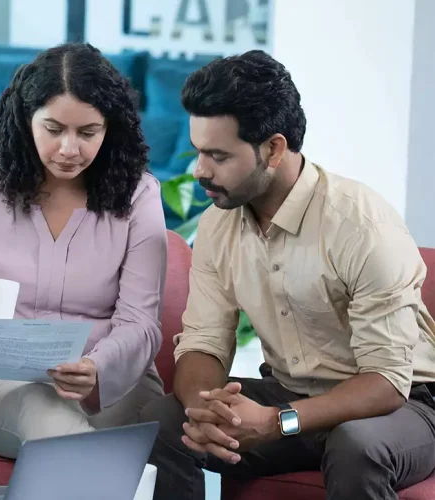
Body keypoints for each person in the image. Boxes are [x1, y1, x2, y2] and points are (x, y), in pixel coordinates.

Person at [138, 50, 435, 500]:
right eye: (200, 152)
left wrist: (280, 422)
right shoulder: (221, 223)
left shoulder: (362, 226)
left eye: (218, 155)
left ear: (274, 149)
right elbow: (202, 343)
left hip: (402, 405)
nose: (200, 170)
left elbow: (385, 382)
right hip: (292, 393)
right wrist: (207, 410)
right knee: (165, 422)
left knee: (357, 445)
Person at [0, 42, 168, 459]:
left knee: (64, 422)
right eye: (53, 129)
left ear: (111, 129)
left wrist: (97, 369)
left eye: (88, 133)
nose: (70, 149)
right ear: (25, 121)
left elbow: (141, 323)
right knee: (47, 415)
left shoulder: (139, 195)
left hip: (109, 382)